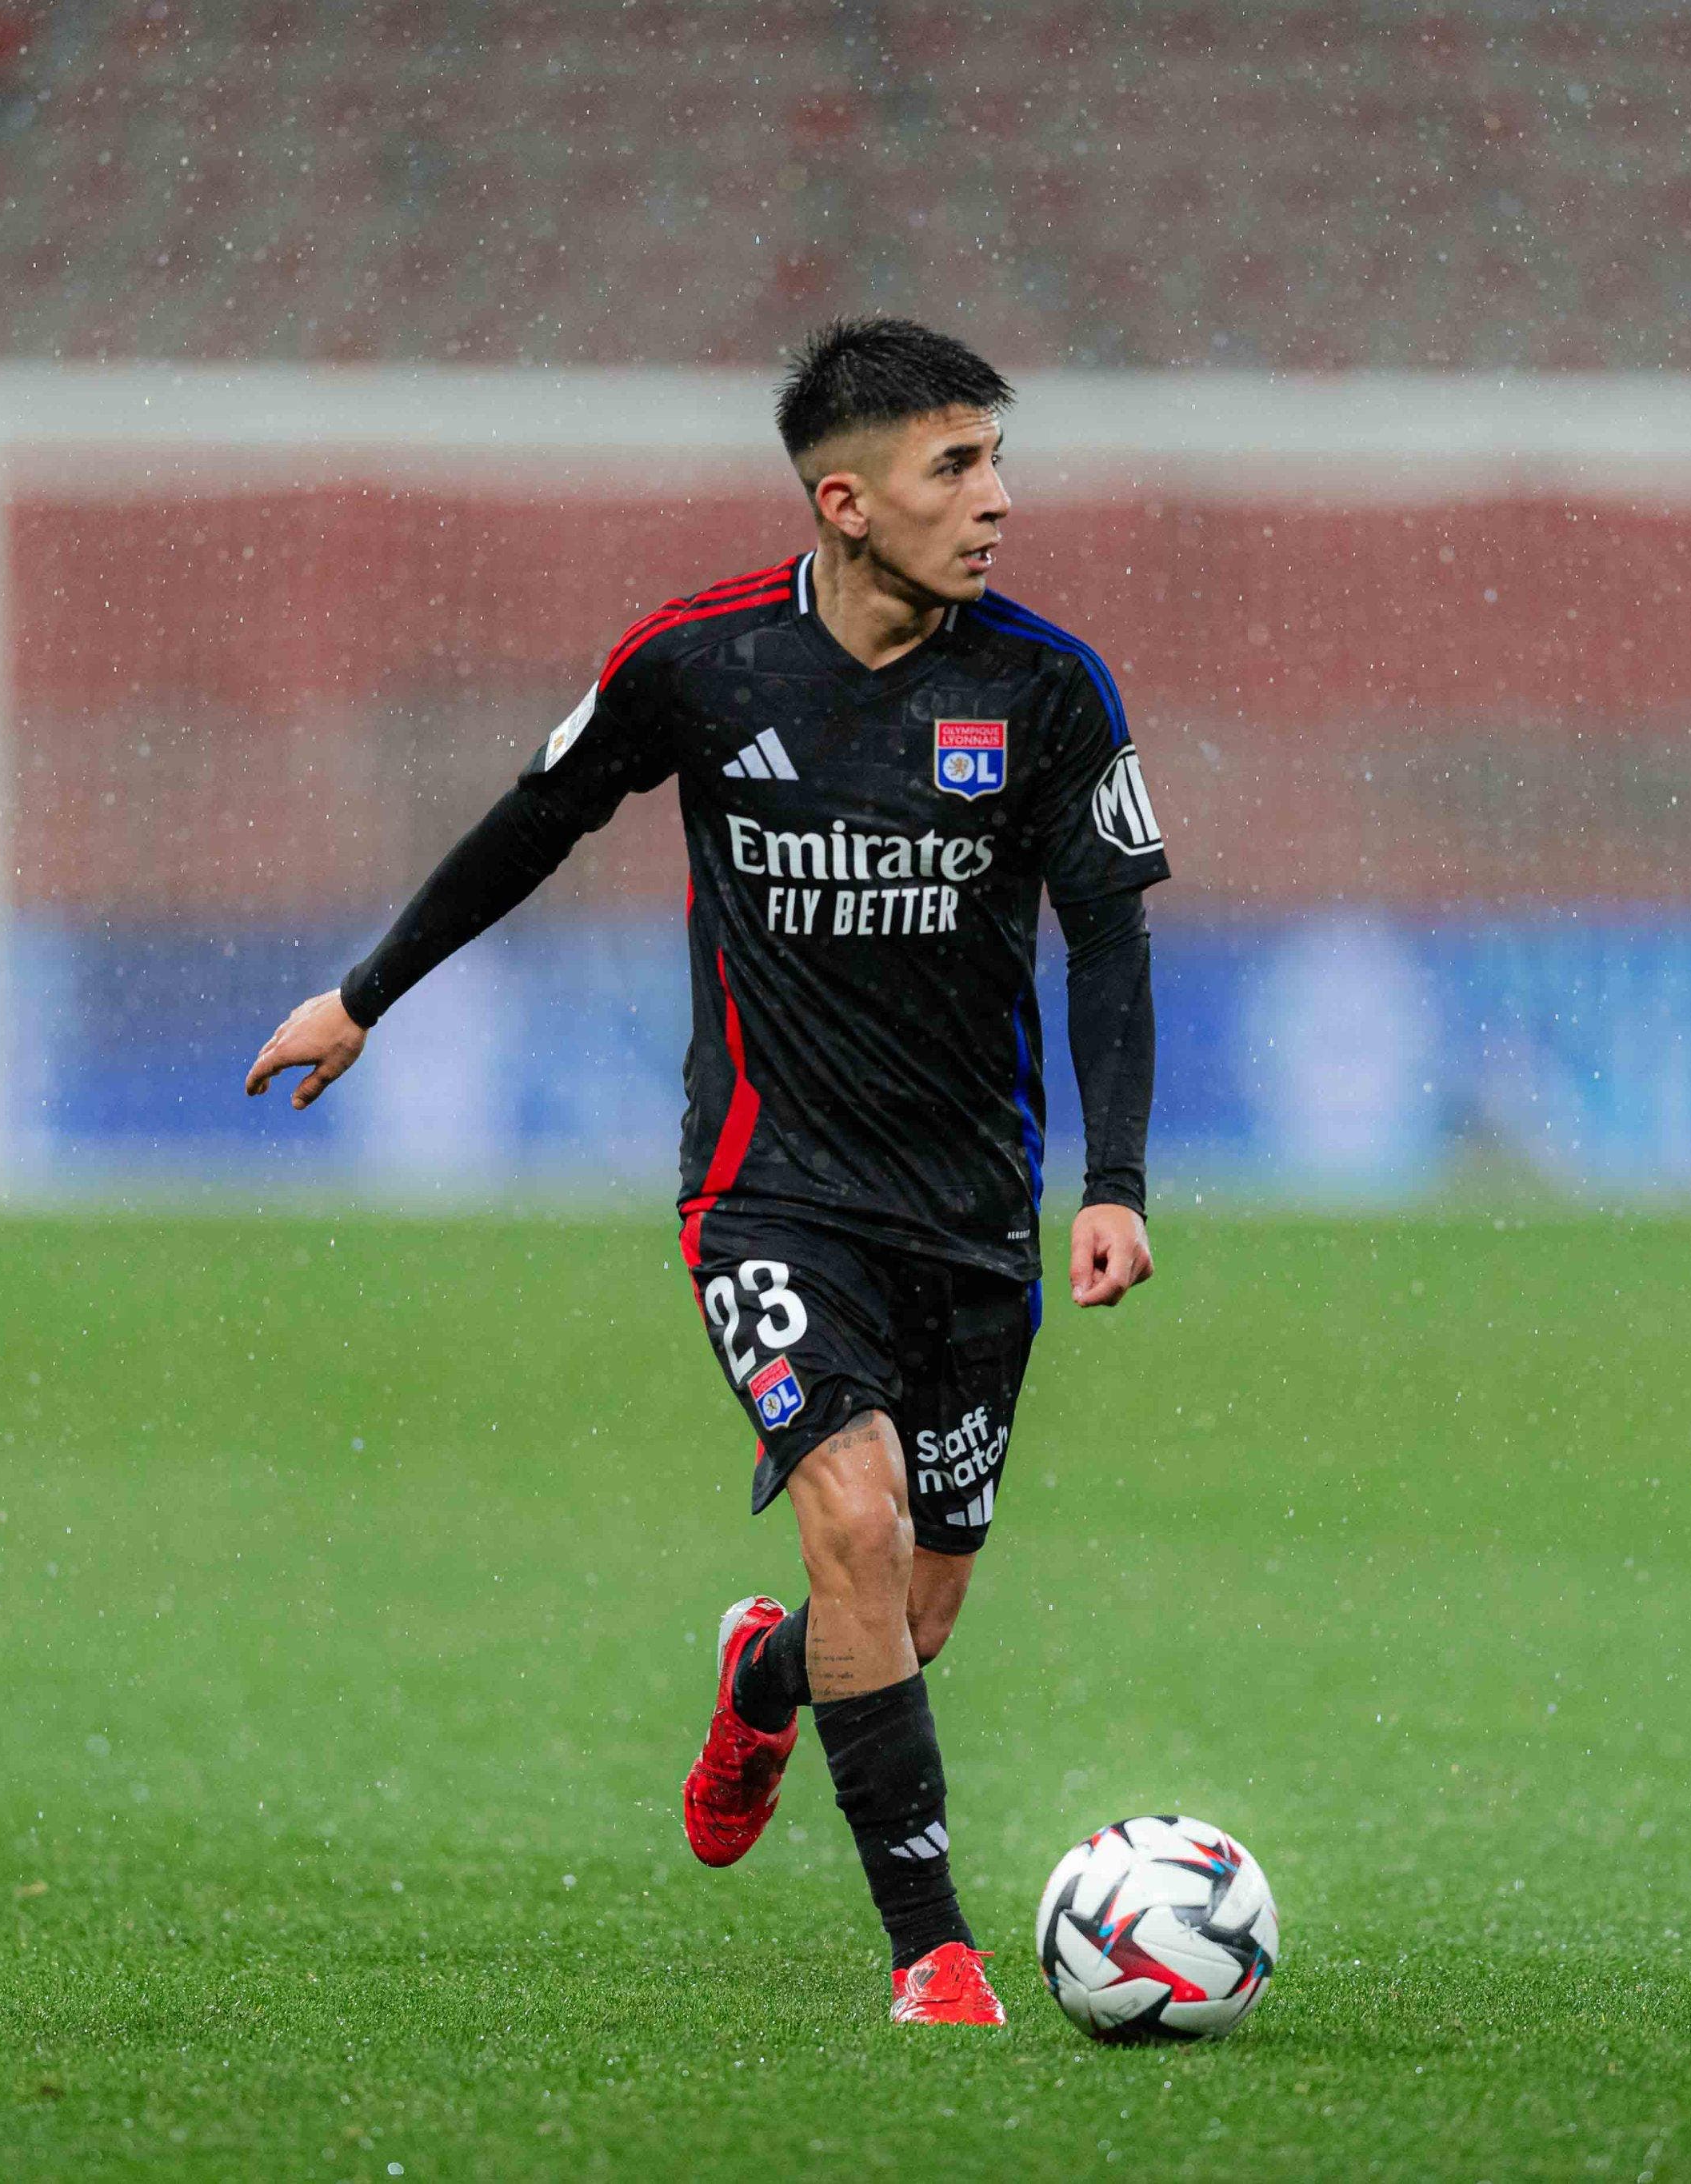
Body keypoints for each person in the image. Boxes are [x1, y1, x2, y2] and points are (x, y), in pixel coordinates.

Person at [244, 317, 1169, 2026]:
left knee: (912, 1604)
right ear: (844, 500)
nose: (996, 501)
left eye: (995, 460)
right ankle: (934, 1955)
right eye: (953, 467)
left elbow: (1107, 941)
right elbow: (538, 816)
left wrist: (1108, 1179)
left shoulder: (1047, 688)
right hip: (767, 1190)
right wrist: (361, 995)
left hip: (972, 1214)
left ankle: (762, 1673)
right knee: (857, 1521)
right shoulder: (699, 663)